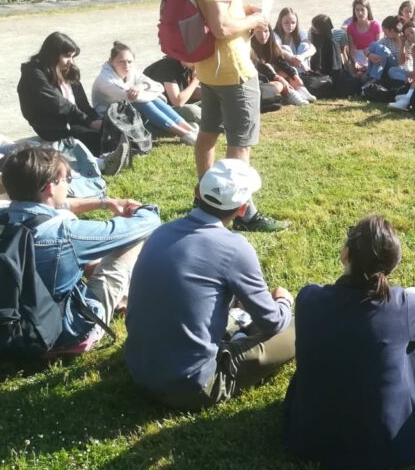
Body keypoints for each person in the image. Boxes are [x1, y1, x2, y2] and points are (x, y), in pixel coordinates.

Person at [284, 215, 415, 470]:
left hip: (310, 441)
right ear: (391, 265)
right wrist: (413, 297)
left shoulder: (309, 299)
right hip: (392, 446)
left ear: (345, 254)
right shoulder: (402, 306)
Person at [124, 159, 294, 409]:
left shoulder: (161, 232)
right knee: (296, 326)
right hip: (191, 386)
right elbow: (271, 321)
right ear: (242, 208)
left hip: (139, 370)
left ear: (197, 191)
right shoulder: (234, 248)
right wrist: (283, 302)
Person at [0, 146, 159, 353]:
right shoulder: (64, 233)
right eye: (67, 179)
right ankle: (126, 301)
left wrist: (105, 203)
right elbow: (139, 226)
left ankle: (123, 298)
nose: (68, 185)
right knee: (131, 243)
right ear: (51, 187)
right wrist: (144, 210)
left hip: (4, 327)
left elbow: (55, 206)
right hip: (64, 334)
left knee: (71, 252)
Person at [184, 0, 285, 232]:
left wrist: (246, 10)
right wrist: (255, 19)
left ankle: (205, 199)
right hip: (233, 69)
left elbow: (219, 12)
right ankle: (243, 212)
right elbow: (221, 27)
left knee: (208, 134)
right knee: (239, 143)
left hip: (207, 67)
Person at [17, 32, 127, 175]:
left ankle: (112, 154)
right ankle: (104, 163)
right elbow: (57, 104)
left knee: (110, 131)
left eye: (72, 57)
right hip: (52, 125)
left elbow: (82, 103)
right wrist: (89, 122)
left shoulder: (68, 70)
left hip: (74, 119)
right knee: (91, 138)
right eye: (67, 56)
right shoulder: (34, 73)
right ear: (53, 54)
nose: (71, 61)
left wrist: (95, 120)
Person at [91, 42, 198, 145]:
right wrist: (156, 95)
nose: (126, 65)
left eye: (129, 61)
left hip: (132, 116)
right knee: (143, 102)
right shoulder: (105, 81)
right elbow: (136, 98)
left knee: (149, 100)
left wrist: (141, 86)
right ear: (110, 61)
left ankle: (190, 130)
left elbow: (158, 87)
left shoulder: (131, 71)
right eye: (121, 62)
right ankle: (184, 134)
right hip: (112, 122)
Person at [251, 26, 314, 106]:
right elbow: (259, 69)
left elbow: (280, 61)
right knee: (279, 83)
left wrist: (294, 75)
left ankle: (300, 89)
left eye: (266, 31)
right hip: (258, 80)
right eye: (259, 32)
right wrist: (276, 77)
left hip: (268, 76)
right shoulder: (250, 49)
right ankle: (289, 94)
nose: (263, 35)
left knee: (291, 71)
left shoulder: (269, 45)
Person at [143, 56, 202, 125]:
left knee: (211, 102)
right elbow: (177, 102)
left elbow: (193, 92)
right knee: (193, 111)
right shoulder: (168, 65)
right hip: (159, 112)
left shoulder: (187, 66)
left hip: (175, 107)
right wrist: (197, 79)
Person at [345, 0, 381, 76]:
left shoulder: (375, 25)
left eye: (362, 10)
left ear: (368, 10)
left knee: (366, 76)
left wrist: (369, 61)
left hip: (372, 54)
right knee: (350, 67)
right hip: (358, 55)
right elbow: (351, 49)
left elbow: (379, 47)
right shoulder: (351, 27)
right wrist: (355, 62)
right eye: (357, 10)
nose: (360, 13)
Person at [273, 6, 316, 72]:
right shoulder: (274, 34)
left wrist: (302, 57)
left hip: (298, 63)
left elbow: (313, 48)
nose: (290, 26)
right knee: (285, 48)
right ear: (280, 22)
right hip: (282, 66)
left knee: (305, 45)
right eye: (286, 22)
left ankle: (302, 74)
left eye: (293, 23)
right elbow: (278, 49)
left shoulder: (299, 32)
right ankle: (301, 75)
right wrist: (300, 62)